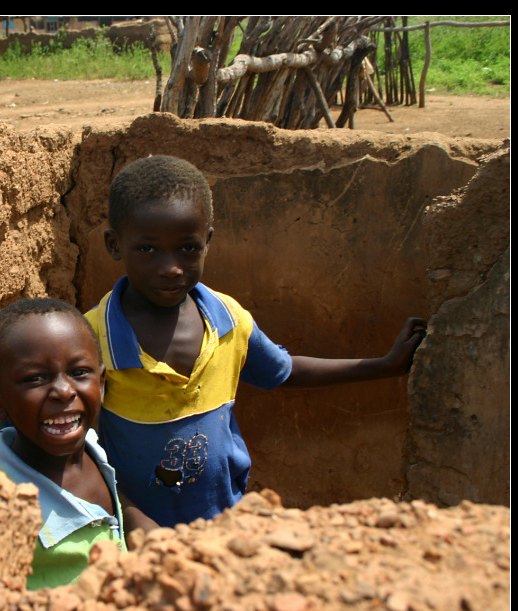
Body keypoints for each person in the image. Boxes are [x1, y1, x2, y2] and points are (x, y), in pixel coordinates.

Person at [85, 155, 427, 529]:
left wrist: (383, 366)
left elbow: (284, 369)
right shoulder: (91, 339)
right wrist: (133, 521)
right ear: (114, 245)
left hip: (225, 520)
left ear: (208, 242)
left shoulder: (229, 321)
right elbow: (79, 446)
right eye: (148, 249)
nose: (171, 267)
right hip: (136, 533)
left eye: (188, 248)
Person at [0, 297, 157, 590]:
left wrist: (137, 522)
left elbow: (107, 505)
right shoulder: (5, 510)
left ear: (101, 385)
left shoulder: (86, 442)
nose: (63, 392)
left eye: (78, 373)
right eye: (35, 378)